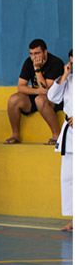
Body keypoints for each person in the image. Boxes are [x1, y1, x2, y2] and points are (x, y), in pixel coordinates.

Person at [5, 39, 64, 145]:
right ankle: (15, 135)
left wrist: (37, 69)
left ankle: (57, 136)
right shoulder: (28, 62)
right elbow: (21, 87)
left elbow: (45, 89)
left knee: (40, 99)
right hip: (37, 96)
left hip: (55, 98)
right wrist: (36, 90)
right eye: (31, 54)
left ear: (45, 52)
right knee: (13, 100)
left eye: (37, 53)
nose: (34, 57)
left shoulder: (56, 63)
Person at [47, 49, 73, 231]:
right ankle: (73, 218)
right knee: (68, 178)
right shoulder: (68, 80)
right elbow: (52, 97)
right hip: (69, 136)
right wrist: (64, 76)